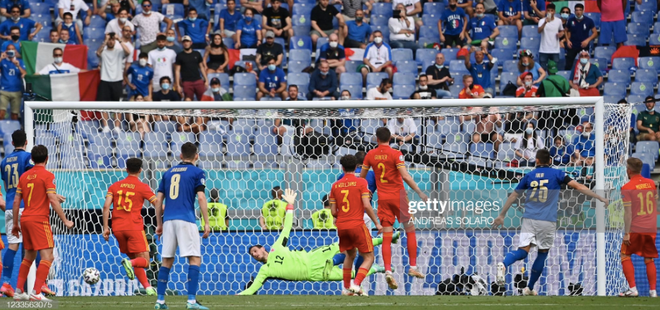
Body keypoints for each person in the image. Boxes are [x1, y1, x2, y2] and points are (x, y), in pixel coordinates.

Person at [493, 149, 608, 295]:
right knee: (542, 253)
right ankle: (529, 287)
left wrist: (501, 215)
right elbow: (578, 186)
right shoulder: (557, 174)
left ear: (537, 161)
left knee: (522, 252)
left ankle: (503, 264)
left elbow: (514, 196)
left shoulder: (529, 176)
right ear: (550, 161)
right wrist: (599, 197)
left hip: (529, 218)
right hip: (547, 220)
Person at [240, 188, 389, 295]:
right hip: (314, 274)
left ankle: (384, 239)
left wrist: (290, 205)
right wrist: (239, 296)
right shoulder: (265, 271)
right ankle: (377, 268)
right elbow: (252, 289)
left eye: (255, 251)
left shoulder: (276, 248)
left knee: (345, 246)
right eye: (253, 255)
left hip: (313, 257)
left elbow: (286, 229)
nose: (255, 255)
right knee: (352, 275)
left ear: (262, 248)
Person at [361, 127, 428, 289]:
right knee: (410, 230)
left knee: (387, 235)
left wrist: (365, 191)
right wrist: (419, 192)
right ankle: (412, 267)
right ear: (390, 138)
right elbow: (405, 176)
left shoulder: (370, 155)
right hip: (399, 197)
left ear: (376, 139)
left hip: (383, 199)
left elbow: (362, 178)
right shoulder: (396, 154)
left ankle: (389, 271)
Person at [11, 145, 74, 302]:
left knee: (29, 256)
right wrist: (65, 220)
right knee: (48, 256)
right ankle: (36, 292)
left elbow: (17, 201)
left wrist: (15, 224)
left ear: (32, 159)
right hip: (39, 219)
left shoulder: (24, 176)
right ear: (47, 158)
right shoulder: (47, 175)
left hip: (25, 218)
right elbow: (52, 199)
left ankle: (18, 291)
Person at [154, 143, 210, 310]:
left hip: (169, 220)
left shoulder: (167, 173)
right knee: (194, 258)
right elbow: (200, 197)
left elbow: (158, 201)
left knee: (166, 261)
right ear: (196, 156)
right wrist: (206, 222)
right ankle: (191, 301)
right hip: (186, 219)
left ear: (180, 156)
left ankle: (160, 301)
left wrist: (159, 223)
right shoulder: (197, 172)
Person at [0, 131, 56, 298]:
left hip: (10, 207)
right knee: (39, 245)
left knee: (13, 246)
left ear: (11, 141)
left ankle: (5, 283)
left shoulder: (4, 161)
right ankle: (42, 285)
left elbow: (5, 184)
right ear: (26, 142)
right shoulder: (27, 158)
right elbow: (34, 178)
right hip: (27, 206)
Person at [101, 157, 157, 296]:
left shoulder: (114, 186)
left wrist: (106, 228)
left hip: (117, 228)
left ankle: (148, 288)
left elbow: (106, 206)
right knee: (144, 261)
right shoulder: (143, 187)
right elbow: (157, 204)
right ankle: (130, 264)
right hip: (134, 227)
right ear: (140, 170)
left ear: (126, 169)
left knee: (134, 258)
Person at [330, 155, 382, 296]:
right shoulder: (361, 182)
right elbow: (367, 205)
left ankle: (347, 288)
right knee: (369, 257)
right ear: (358, 167)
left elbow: (334, 212)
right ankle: (357, 284)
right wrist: (377, 222)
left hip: (342, 225)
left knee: (350, 254)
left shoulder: (335, 185)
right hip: (357, 224)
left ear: (342, 168)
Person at [618, 157, 658, 297]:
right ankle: (653, 291)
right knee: (649, 258)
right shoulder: (651, 183)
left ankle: (633, 289)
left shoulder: (626, 187)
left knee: (625, 254)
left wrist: (627, 232)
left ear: (628, 170)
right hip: (651, 227)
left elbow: (628, 213)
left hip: (636, 226)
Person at [97, 33, 130, 133]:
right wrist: (105, 41)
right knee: (103, 105)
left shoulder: (119, 51)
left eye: (112, 40)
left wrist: (119, 39)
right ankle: (106, 126)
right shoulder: (104, 52)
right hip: (105, 80)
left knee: (118, 104)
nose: (111, 41)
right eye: (109, 40)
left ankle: (117, 127)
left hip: (117, 81)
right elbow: (98, 53)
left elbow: (128, 52)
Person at [564, 4, 597, 70]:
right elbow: (566, 30)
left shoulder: (589, 21)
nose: (578, 12)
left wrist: (587, 40)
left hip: (583, 45)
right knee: (568, 65)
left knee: (585, 65)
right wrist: (567, 40)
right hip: (572, 45)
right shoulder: (571, 20)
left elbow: (595, 33)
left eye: (580, 10)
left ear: (583, 11)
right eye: (576, 10)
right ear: (574, 11)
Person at [175, 35, 208, 101]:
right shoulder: (180, 55)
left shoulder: (197, 54)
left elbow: (201, 67)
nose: (186, 43)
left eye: (187, 41)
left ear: (191, 42)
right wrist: (178, 85)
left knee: (203, 100)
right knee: (188, 101)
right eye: (184, 42)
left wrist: (206, 80)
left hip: (198, 80)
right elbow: (177, 70)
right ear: (182, 43)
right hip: (186, 82)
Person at [0, 44, 24, 121]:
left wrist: (18, 66)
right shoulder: (3, 61)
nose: (11, 50)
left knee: (15, 115)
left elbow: (25, 73)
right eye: (9, 49)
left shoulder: (20, 61)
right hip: (4, 90)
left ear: (15, 51)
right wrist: (0, 58)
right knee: (1, 113)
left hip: (16, 90)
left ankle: (13, 131)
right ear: (6, 51)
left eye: (12, 49)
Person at [537, 3, 563, 71]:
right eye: (548, 10)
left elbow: (562, 31)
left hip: (555, 50)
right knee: (543, 71)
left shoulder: (559, 21)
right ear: (546, 11)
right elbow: (539, 31)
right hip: (543, 50)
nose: (550, 12)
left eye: (552, 10)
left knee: (554, 70)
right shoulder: (541, 21)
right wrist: (545, 23)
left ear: (554, 11)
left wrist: (560, 34)